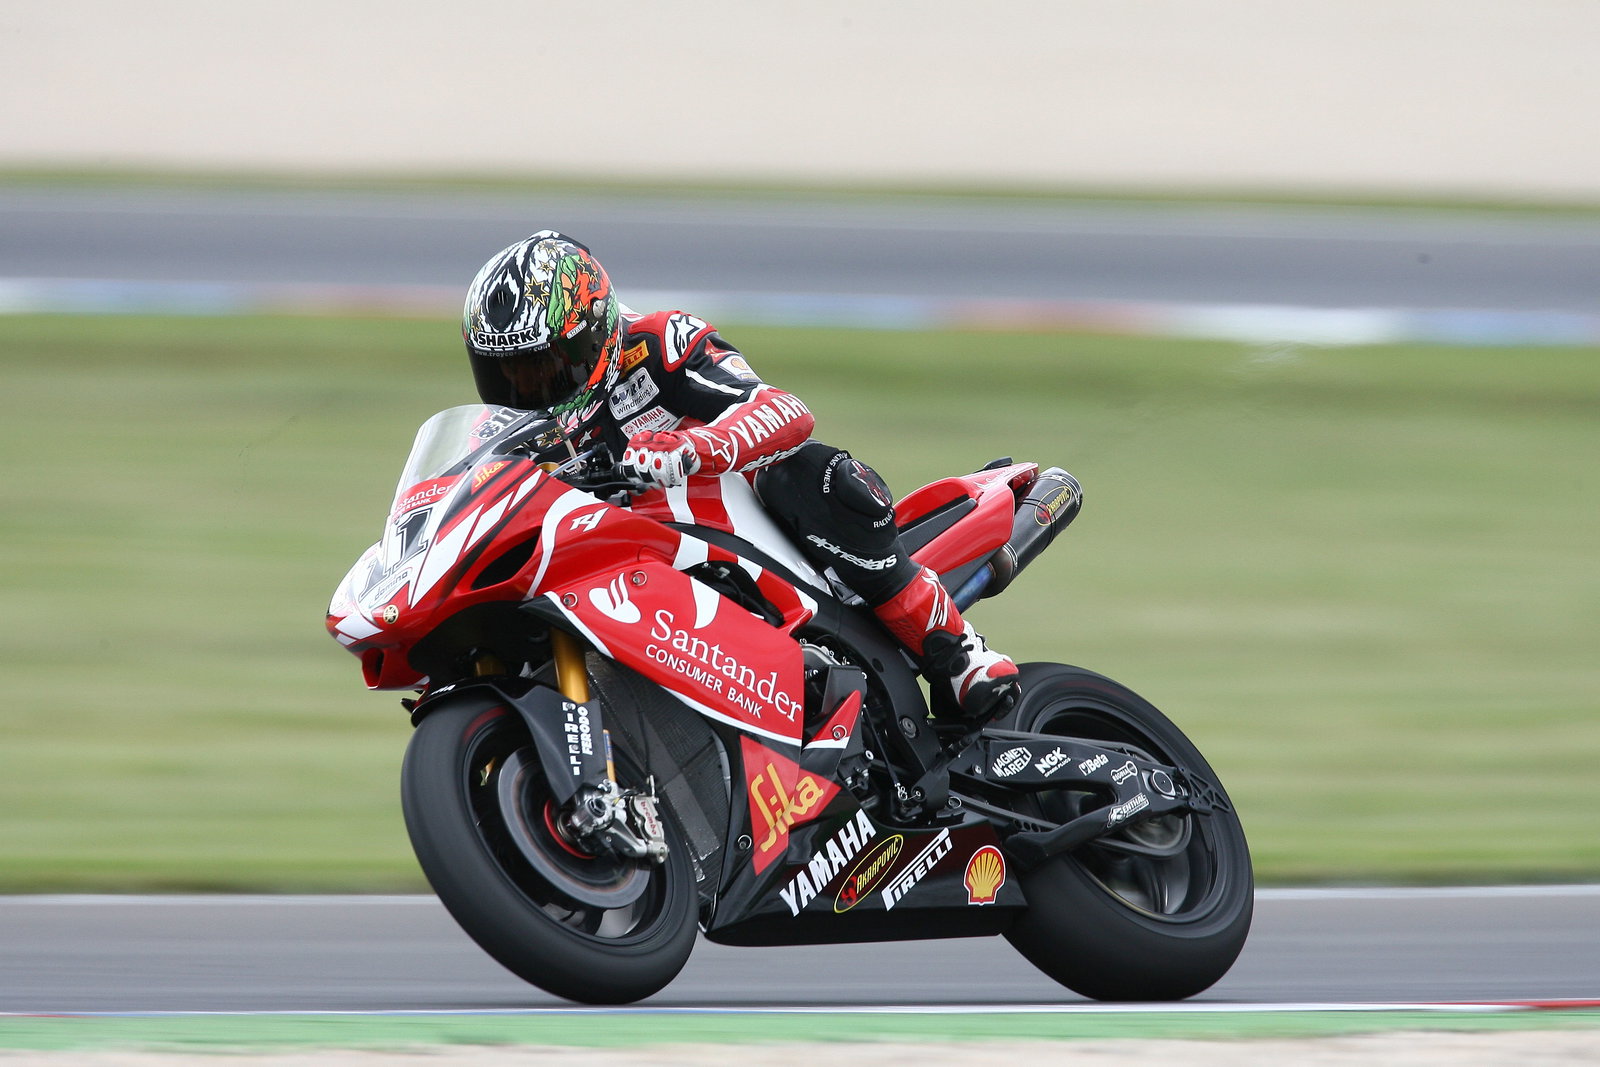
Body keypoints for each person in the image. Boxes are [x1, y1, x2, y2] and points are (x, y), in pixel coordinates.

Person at [460, 230, 1018, 723]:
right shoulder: (509, 426)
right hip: (619, 564)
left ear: (596, 328)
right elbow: (477, 491)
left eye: (545, 365)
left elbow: (784, 410)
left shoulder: (658, 343)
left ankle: (958, 656)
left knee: (811, 475)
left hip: (734, 533)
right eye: (507, 375)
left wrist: (693, 448)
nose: (529, 387)